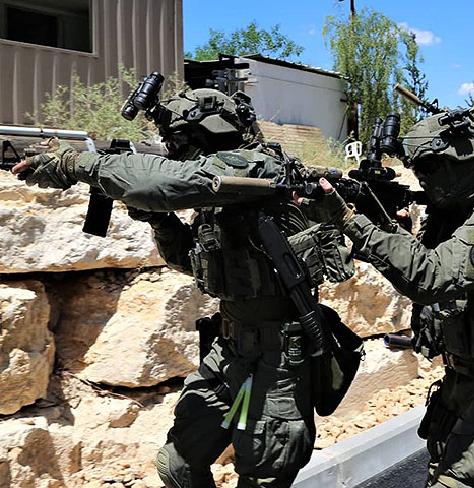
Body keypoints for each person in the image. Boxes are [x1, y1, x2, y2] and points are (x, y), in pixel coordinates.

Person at [12, 86, 356, 488]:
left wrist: (76, 164)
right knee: (178, 464)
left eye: (179, 141)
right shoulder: (225, 190)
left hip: (278, 361)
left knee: (262, 477)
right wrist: (159, 222)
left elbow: (164, 184)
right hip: (231, 355)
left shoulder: (255, 169)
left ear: (208, 133)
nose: (174, 151)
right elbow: (195, 262)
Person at [298, 107, 474, 488]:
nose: (422, 175)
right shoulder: (458, 210)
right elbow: (416, 258)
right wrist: (383, 222)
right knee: (439, 468)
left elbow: (430, 276)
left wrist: (349, 221)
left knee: (458, 479)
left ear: (461, 160)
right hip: (464, 376)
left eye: (430, 165)